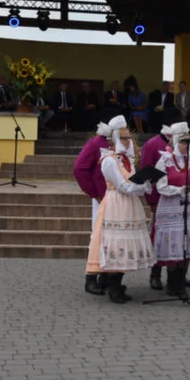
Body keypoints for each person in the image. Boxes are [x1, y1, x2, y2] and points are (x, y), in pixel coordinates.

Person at [84, 115, 155, 304]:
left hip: (129, 204)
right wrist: (142, 186)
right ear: (115, 138)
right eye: (124, 138)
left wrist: (144, 183)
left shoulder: (126, 160)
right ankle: (113, 286)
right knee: (117, 243)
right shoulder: (108, 160)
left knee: (126, 241)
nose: (128, 141)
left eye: (129, 138)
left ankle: (114, 283)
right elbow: (122, 185)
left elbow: (131, 181)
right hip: (116, 202)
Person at [153, 122, 190, 295]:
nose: (185, 146)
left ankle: (181, 279)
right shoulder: (164, 159)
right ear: (175, 142)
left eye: (188, 142)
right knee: (174, 242)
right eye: (182, 142)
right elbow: (161, 186)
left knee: (187, 242)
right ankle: (172, 283)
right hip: (171, 206)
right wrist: (179, 190)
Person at [74, 122, 112, 295]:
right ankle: (91, 277)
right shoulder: (95, 144)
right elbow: (79, 169)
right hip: (101, 196)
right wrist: (93, 192)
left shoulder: (117, 145)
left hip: (116, 198)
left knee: (111, 237)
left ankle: (106, 276)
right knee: (97, 236)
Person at [140, 129, 170, 290]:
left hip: (180, 200)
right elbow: (146, 173)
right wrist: (151, 200)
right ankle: (155, 274)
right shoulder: (152, 144)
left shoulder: (183, 146)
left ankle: (179, 275)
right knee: (158, 238)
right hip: (160, 198)